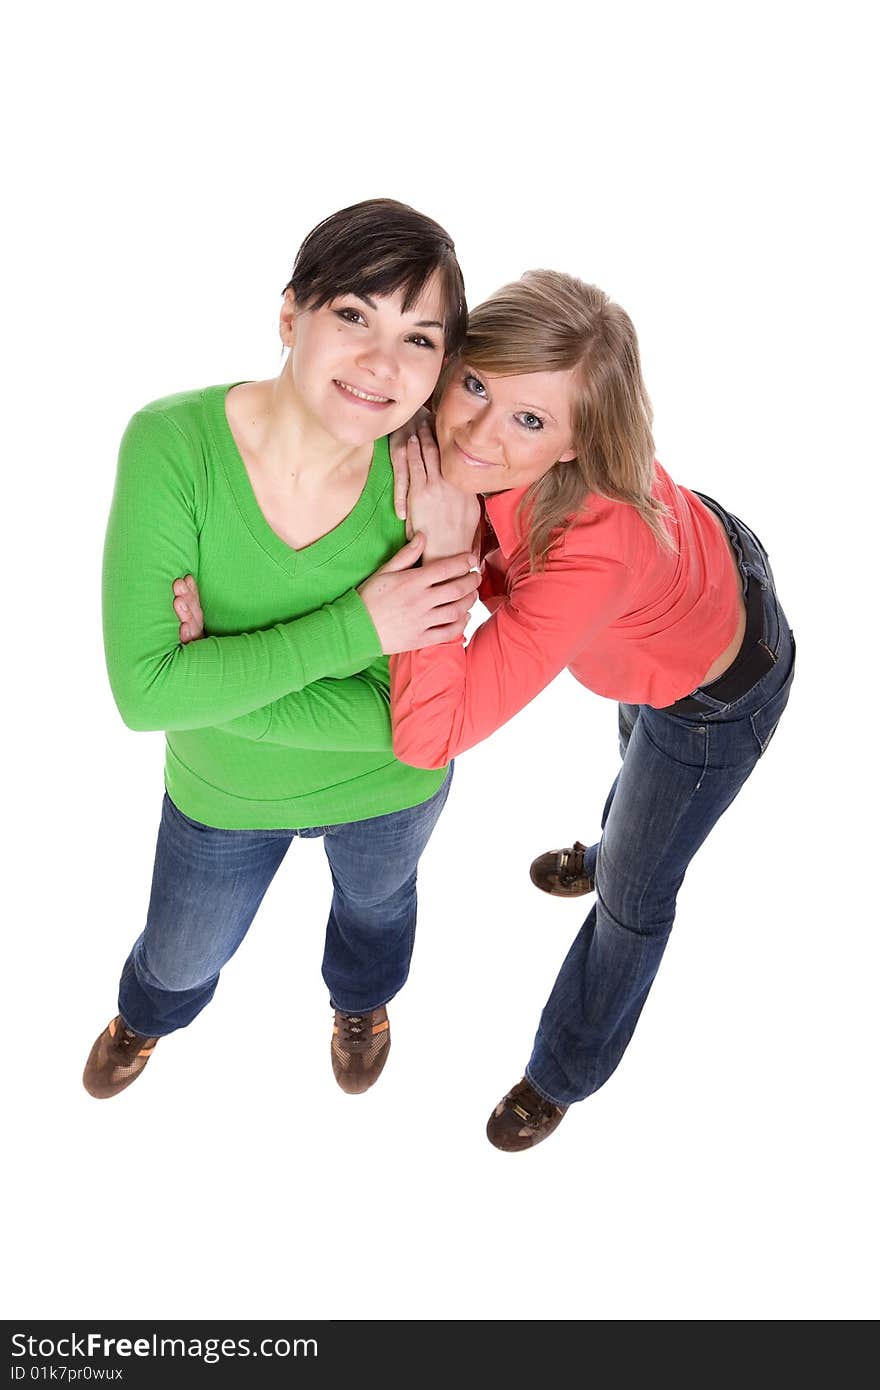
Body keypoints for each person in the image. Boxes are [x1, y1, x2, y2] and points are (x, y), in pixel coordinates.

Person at [385, 269, 797, 1151]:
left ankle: (563, 1072)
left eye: (530, 421)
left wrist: (445, 547)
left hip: (715, 695)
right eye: (478, 385)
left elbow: (431, 737)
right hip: (692, 574)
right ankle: (611, 843)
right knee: (630, 766)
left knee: (633, 896)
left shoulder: (592, 558)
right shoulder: (452, 430)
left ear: (577, 444)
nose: (478, 433)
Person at [83, 198, 481, 1102]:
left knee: (377, 917)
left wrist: (211, 675)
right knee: (180, 955)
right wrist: (361, 631)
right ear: (290, 314)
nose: (383, 365)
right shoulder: (174, 445)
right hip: (223, 796)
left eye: (419, 340)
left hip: (390, 796)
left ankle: (362, 1006)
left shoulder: (439, 486)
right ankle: (144, 1019)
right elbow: (144, 697)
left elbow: (422, 727)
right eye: (353, 316)